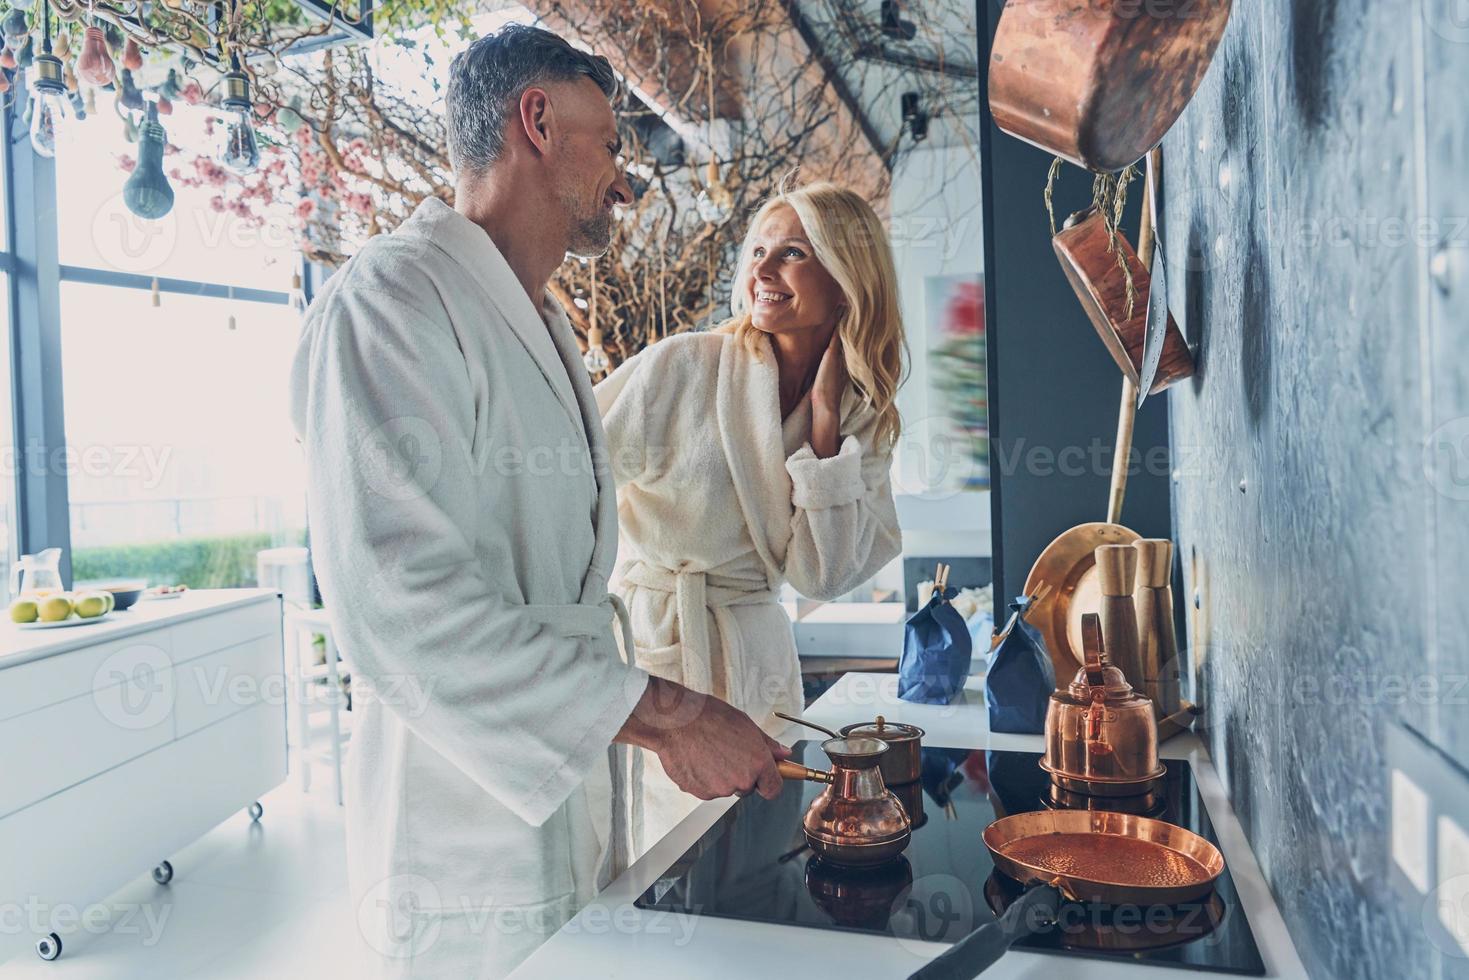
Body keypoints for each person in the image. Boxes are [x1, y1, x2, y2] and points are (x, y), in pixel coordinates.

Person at [289, 25, 789, 980]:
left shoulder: (540, 317)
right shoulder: (390, 301)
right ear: (536, 121)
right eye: (608, 144)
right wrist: (669, 716)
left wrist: (642, 717)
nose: (624, 178)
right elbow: (400, 607)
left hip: (561, 784)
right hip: (459, 816)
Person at [595, 180, 906, 853]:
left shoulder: (860, 417)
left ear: (847, 278)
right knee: (657, 867)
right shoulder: (680, 367)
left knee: (757, 858)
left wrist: (823, 430)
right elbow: (565, 480)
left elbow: (821, 576)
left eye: (791, 253)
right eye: (757, 251)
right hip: (660, 654)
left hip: (759, 659)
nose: (760, 271)